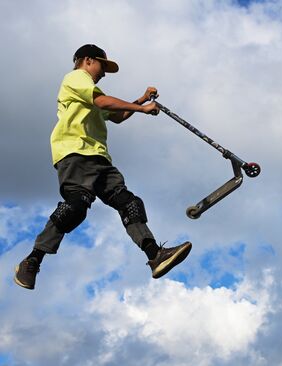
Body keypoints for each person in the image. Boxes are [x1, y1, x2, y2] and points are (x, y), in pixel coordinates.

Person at [14, 44, 192, 290]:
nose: (104, 73)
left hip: (100, 159)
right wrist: (142, 107)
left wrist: (140, 100)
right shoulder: (75, 78)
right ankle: (33, 260)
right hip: (74, 153)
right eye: (102, 66)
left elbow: (116, 116)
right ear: (87, 60)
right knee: (75, 207)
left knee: (129, 202)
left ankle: (155, 255)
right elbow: (106, 103)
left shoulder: (92, 93)